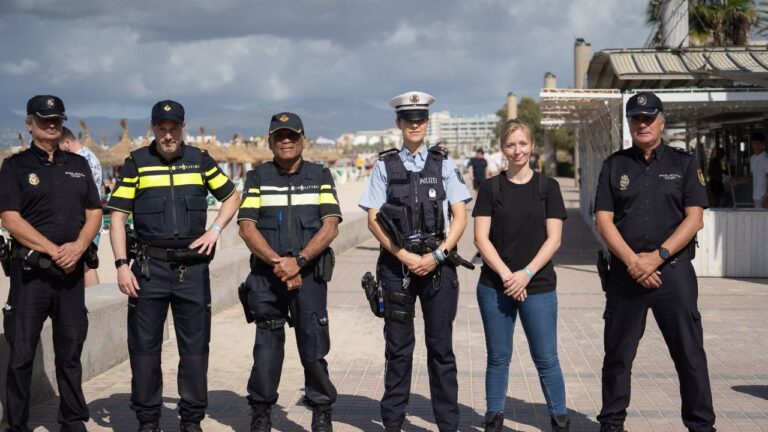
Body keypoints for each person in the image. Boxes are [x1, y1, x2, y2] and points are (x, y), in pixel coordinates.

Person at [107, 100, 240, 432]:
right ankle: (148, 420)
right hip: (148, 270)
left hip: (192, 270)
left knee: (195, 350)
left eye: (174, 128)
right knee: (144, 350)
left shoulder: (199, 161)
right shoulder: (136, 163)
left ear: (183, 128)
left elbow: (232, 196)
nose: (168, 135)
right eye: (162, 128)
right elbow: (118, 217)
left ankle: (191, 420)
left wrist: (215, 229)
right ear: (153, 128)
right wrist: (122, 265)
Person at [594, 92, 716, 432]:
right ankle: (611, 424)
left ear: (662, 122)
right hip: (625, 274)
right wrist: (634, 262)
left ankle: (702, 426)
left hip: (673, 273)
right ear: (630, 123)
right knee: (617, 357)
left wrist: (658, 257)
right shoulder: (614, 165)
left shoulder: (684, 163)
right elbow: (603, 220)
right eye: (636, 118)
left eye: (649, 118)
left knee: (689, 355)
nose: (642, 124)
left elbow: (695, 219)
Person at [359, 91, 471, 432]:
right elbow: (374, 219)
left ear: (427, 123)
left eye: (421, 119)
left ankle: (448, 425)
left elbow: (460, 215)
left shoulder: (444, 163)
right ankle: (393, 424)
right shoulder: (383, 165)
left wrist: (437, 255)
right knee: (398, 351)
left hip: (438, 267)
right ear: (399, 124)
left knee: (441, 350)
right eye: (409, 120)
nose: (415, 125)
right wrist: (404, 255)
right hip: (397, 268)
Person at [0, 95, 102, 431]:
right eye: (44, 119)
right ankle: (17, 424)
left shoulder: (79, 165)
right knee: (21, 356)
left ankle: (72, 419)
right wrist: (52, 249)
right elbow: (10, 219)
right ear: (29, 124)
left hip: (71, 274)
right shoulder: (15, 167)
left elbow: (95, 212)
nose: (52, 124)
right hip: (30, 275)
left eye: (57, 119)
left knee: (70, 354)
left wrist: (78, 246)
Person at [238, 112, 341, 432]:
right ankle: (261, 411)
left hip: (308, 275)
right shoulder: (257, 177)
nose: (285, 141)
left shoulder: (320, 175)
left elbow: (331, 226)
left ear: (303, 141)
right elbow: (246, 227)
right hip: (267, 278)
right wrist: (278, 263)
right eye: (279, 136)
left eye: (292, 136)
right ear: (269, 142)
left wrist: (300, 260)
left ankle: (321, 409)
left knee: (313, 347)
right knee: (267, 349)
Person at [473, 119, 569, 432]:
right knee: (498, 357)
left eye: (523, 144)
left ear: (532, 146)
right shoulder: (491, 187)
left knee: (546, 358)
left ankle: (559, 419)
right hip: (495, 286)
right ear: (503, 149)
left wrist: (525, 274)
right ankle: (494, 418)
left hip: (538, 285)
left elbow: (554, 239)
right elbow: (481, 239)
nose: (518, 151)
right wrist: (507, 276)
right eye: (511, 145)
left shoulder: (548, 187)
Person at [60, 126, 104, 287]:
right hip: (90, 219)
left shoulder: (81, 161)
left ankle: (93, 303)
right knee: (86, 264)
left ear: (66, 142)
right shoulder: (89, 156)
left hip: (86, 221)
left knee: (86, 264)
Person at [729, 131, 768, 208]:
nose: (756, 146)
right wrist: (738, 182)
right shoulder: (753, 158)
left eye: (758, 143)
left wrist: (766, 196)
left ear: (762, 144)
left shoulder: (766, 158)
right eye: (754, 143)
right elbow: (751, 177)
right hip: (756, 196)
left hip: (764, 198)